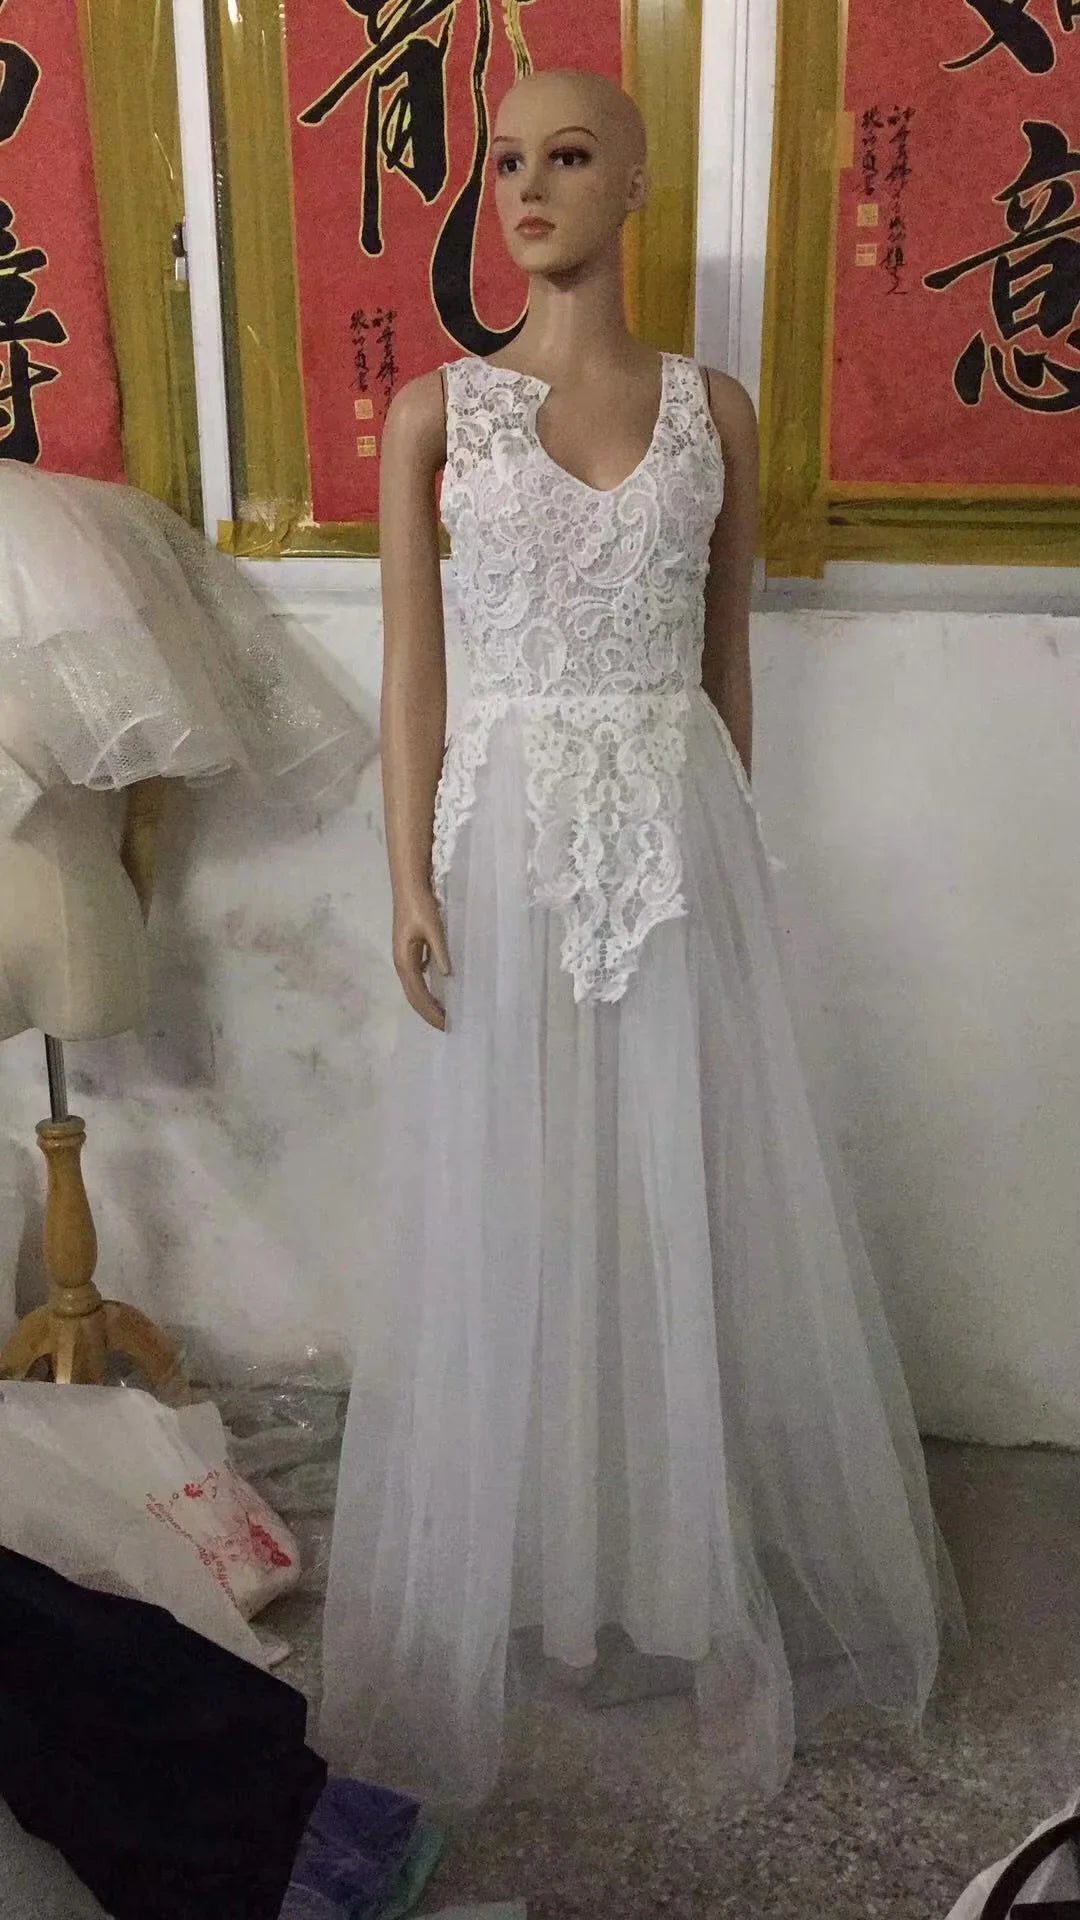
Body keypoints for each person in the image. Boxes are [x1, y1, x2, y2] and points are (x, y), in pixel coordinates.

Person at [320, 66, 960, 1811]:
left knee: (674, 1190)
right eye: (505, 161)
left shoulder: (719, 412)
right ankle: (544, 1574)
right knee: (527, 1196)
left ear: (641, 185)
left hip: (677, 835)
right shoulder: (434, 415)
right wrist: (407, 876)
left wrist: (735, 844)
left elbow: (725, 653)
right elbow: (414, 676)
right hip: (506, 830)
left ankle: (677, 1572)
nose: (526, 187)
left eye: (569, 157)